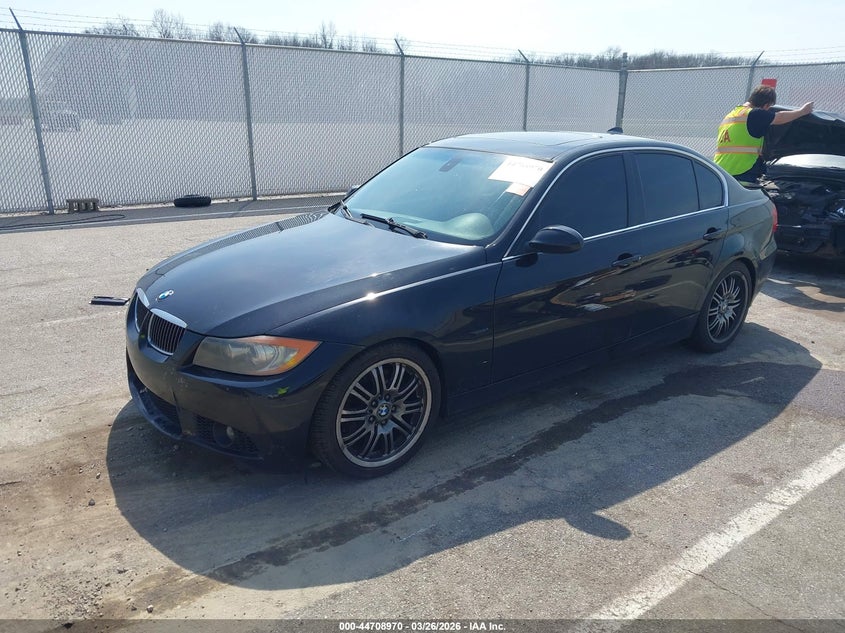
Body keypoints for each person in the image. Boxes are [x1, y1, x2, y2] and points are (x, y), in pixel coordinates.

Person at [714, 85, 814, 182]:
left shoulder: (731, 115)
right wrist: (803, 111)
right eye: (769, 107)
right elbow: (780, 117)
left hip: (721, 169)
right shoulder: (754, 114)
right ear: (766, 105)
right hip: (741, 170)